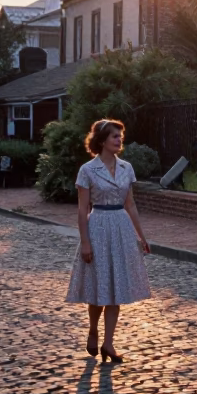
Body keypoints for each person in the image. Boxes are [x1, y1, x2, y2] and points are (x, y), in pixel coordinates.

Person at [66, 119, 151, 363]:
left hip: (121, 228)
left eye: (120, 136)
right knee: (99, 287)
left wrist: (141, 236)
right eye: (115, 136)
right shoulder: (88, 170)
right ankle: (93, 329)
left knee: (117, 289)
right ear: (102, 141)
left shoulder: (126, 168)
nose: (119, 140)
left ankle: (109, 344)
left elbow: (131, 204)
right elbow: (82, 210)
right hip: (98, 226)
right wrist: (85, 242)